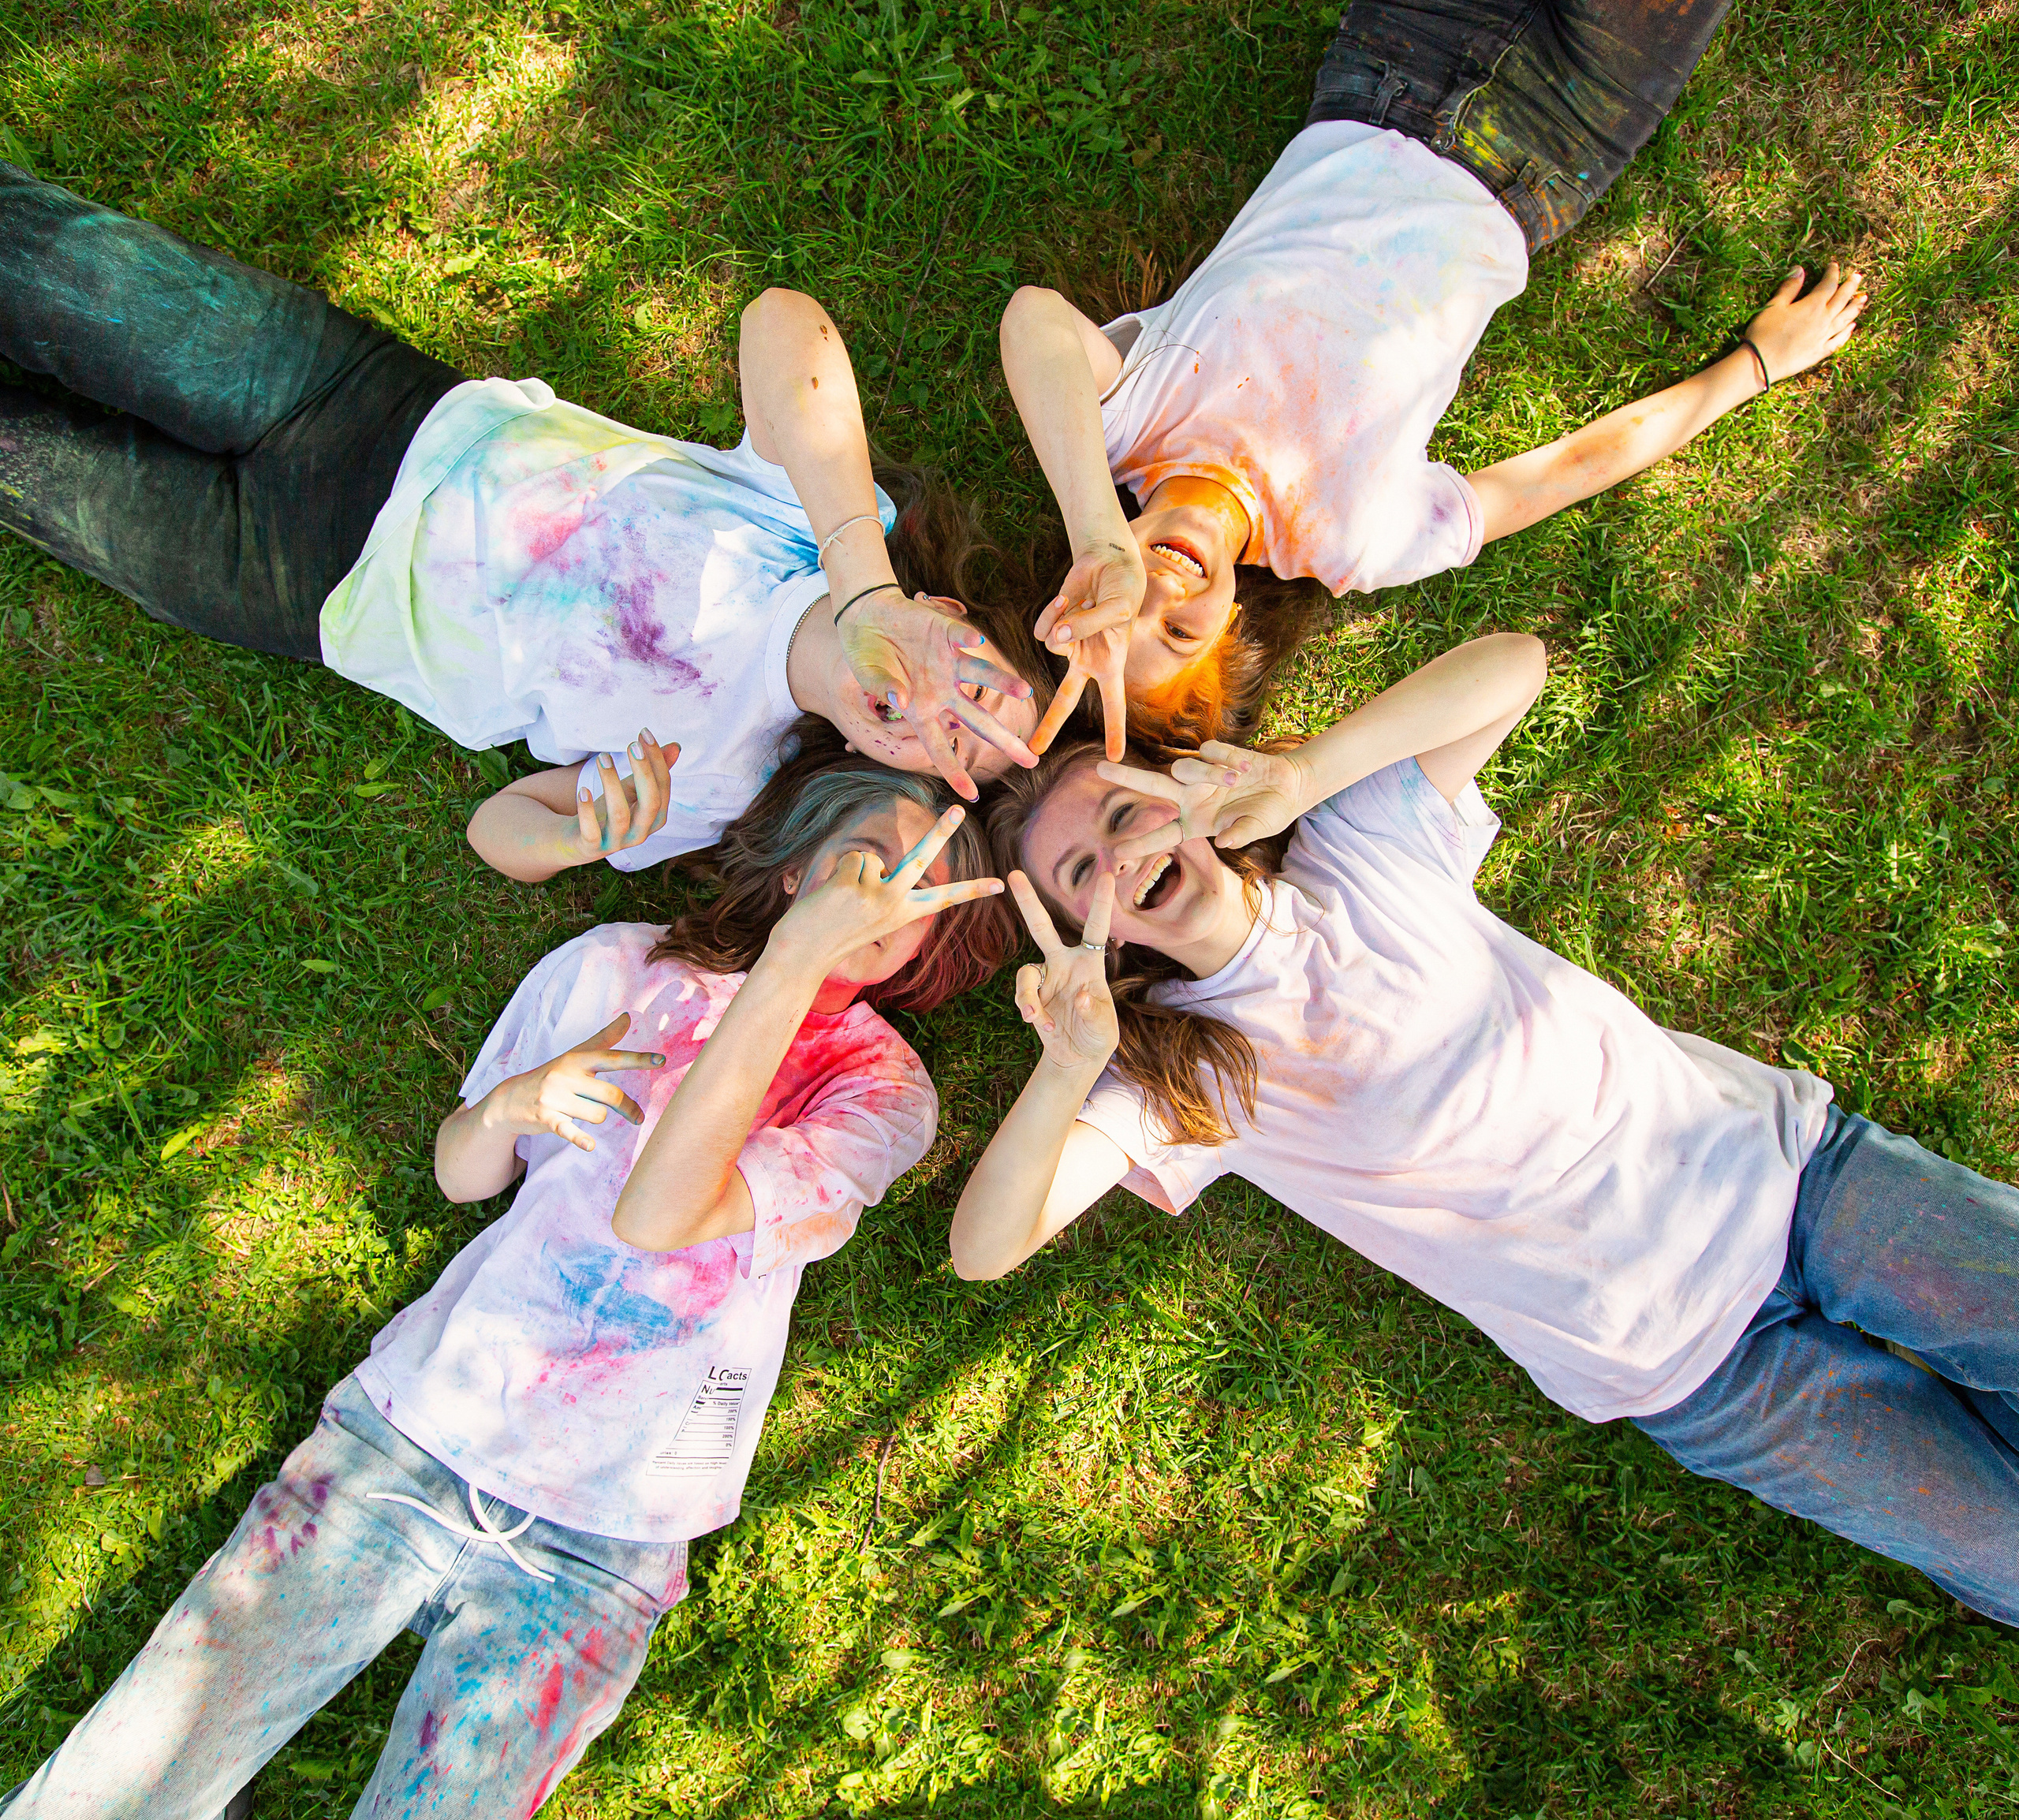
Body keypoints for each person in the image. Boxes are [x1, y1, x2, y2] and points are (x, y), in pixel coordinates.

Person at [0, 753, 1008, 1818]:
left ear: (936, 938)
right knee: (118, 1787)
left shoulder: (883, 1093)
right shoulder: (619, 970)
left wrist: (795, 969)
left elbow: (661, 1214)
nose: (891, 886)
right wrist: (508, 1109)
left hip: (607, 1535)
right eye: (871, 855)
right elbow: (460, 1174)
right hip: (417, 1434)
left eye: (924, 881)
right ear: (798, 861)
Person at [954, 635, 2019, 1626]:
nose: (1119, 861)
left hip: (1792, 1183)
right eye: (1081, 877)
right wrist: (1070, 1064)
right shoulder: (1182, 1080)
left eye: (1124, 815)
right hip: (1693, 1370)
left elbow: (1514, 665)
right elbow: (985, 1247)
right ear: (1090, 935)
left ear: (1182, 796)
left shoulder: (1356, 849)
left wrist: (1301, 775)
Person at [0, 162, 1047, 879]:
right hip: (363, 406)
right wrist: (866, 588)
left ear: (893, 761)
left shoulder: (727, 777)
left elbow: (500, 827)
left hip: (300, 589)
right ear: (952, 613)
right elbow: (782, 321)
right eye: (982, 687)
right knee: (40, 261)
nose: (951, 713)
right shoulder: (816, 522)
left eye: (961, 747)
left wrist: (581, 841)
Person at [999, 0, 1868, 757]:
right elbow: (1564, 472)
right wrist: (1752, 367)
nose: (1160, 591)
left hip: (1390, 62)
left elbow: (1033, 319)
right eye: (1179, 631)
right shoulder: (1349, 542)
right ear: (1232, 633)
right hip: (1553, 146)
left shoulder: (1121, 421)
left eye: (1124, 609)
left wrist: (1096, 532)